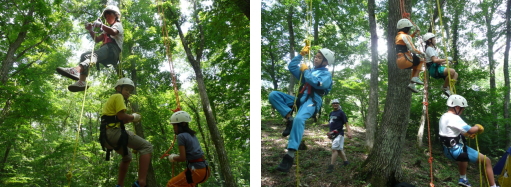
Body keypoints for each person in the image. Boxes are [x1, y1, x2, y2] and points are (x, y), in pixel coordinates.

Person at [268, 43, 333, 172]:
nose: (315, 58)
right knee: (273, 95)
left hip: (312, 101)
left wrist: (306, 71)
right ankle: (288, 118)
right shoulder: (310, 71)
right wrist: (301, 55)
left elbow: (317, 83)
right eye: (315, 56)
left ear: (325, 62)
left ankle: (289, 156)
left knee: (299, 119)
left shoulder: (326, 76)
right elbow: (291, 67)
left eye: (319, 58)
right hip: (300, 100)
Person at [98, 77, 152, 187]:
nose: (128, 92)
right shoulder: (118, 96)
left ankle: (119, 185)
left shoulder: (112, 99)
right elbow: (121, 116)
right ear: (119, 88)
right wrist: (133, 117)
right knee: (147, 146)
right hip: (114, 134)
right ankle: (141, 182)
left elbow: (119, 119)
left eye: (130, 91)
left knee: (127, 157)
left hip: (106, 137)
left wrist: (131, 119)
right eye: (126, 89)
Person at [56, 5, 124, 92]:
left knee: (94, 55)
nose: (107, 18)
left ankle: (76, 70)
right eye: (106, 17)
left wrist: (101, 25)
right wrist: (90, 30)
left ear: (116, 15)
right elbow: (97, 40)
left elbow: (114, 32)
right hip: (107, 50)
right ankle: (82, 81)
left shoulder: (118, 25)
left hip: (113, 50)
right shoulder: (106, 29)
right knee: (85, 55)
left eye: (109, 15)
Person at [439, 94, 499, 187]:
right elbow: (471, 130)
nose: (463, 111)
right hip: (456, 150)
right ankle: (493, 186)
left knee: (470, 157)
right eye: (463, 109)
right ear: (458, 107)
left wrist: (467, 134)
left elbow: (454, 132)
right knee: (487, 161)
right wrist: (477, 127)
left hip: (448, 149)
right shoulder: (454, 118)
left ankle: (463, 178)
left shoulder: (444, 116)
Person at [165, 111, 210, 186]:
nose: (174, 128)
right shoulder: (192, 135)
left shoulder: (181, 136)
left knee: (171, 184)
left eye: (174, 125)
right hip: (205, 169)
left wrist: (173, 157)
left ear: (182, 124)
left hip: (196, 171)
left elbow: (182, 158)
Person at [321, 99, 352, 173]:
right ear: (332, 104)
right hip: (333, 134)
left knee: (334, 149)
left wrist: (349, 132)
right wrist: (325, 125)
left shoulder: (341, 113)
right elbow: (331, 122)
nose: (335, 104)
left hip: (339, 133)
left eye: (336, 103)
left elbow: (346, 123)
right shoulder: (331, 113)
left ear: (339, 104)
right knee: (339, 149)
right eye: (334, 103)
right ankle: (346, 162)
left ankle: (331, 166)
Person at [395, 18, 426, 93]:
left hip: (399, 61)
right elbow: (412, 49)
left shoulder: (398, 36)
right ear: (406, 28)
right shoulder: (405, 36)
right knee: (422, 60)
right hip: (405, 59)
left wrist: (415, 33)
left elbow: (407, 38)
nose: (409, 30)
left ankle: (412, 84)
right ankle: (415, 78)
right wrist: (422, 53)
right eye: (409, 28)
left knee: (416, 64)